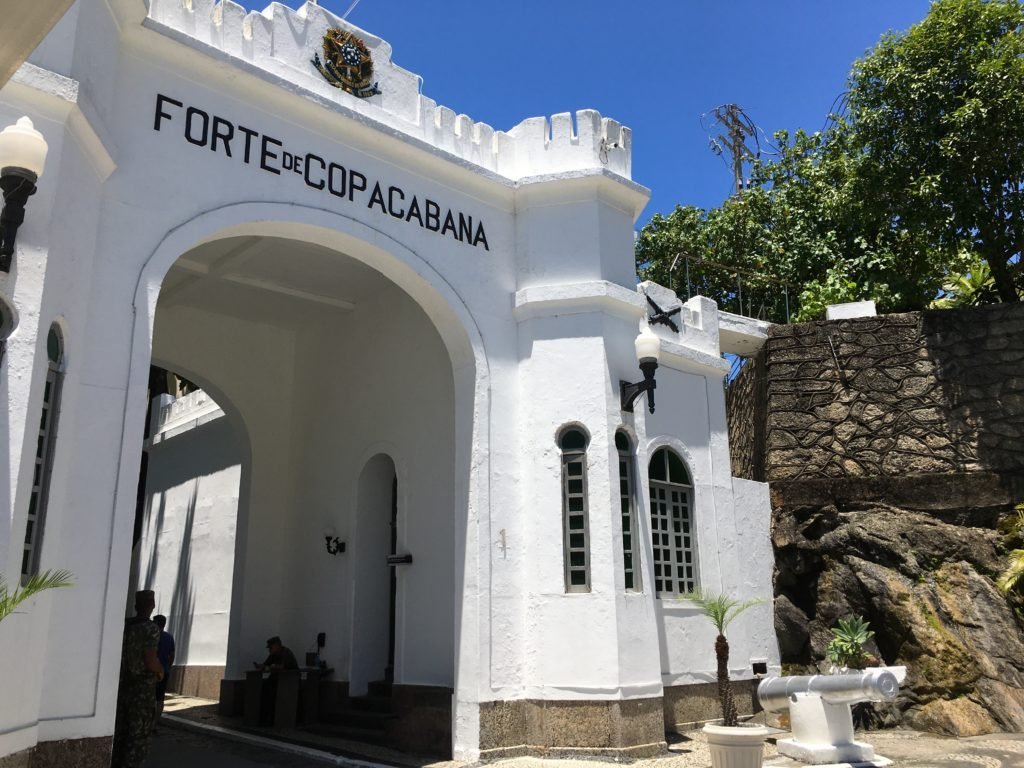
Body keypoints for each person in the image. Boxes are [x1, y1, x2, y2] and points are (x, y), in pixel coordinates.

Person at [111, 590, 164, 768]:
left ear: (135, 606)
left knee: (120, 734)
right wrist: (160, 670)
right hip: (142, 692)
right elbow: (150, 661)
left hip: (122, 688)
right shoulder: (150, 628)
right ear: (152, 605)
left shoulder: (124, 626)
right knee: (138, 738)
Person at [254, 636, 298, 724]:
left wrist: (274, 666)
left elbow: (285, 667)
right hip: (276, 679)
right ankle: (265, 718)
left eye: (271, 647)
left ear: (277, 645)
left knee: (272, 691)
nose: (269, 650)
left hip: (289, 681)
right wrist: (260, 666)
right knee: (265, 688)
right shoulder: (273, 655)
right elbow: (266, 664)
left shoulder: (286, 652)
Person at [153, 614, 175, 723]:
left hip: (151, 670)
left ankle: (149, 721)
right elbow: (172, 655)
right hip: (164, 671)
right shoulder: (169, 637)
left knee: (150, 696)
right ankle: (157, 722)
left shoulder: (152, 636)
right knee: (160, 698)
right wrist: (168, 667)